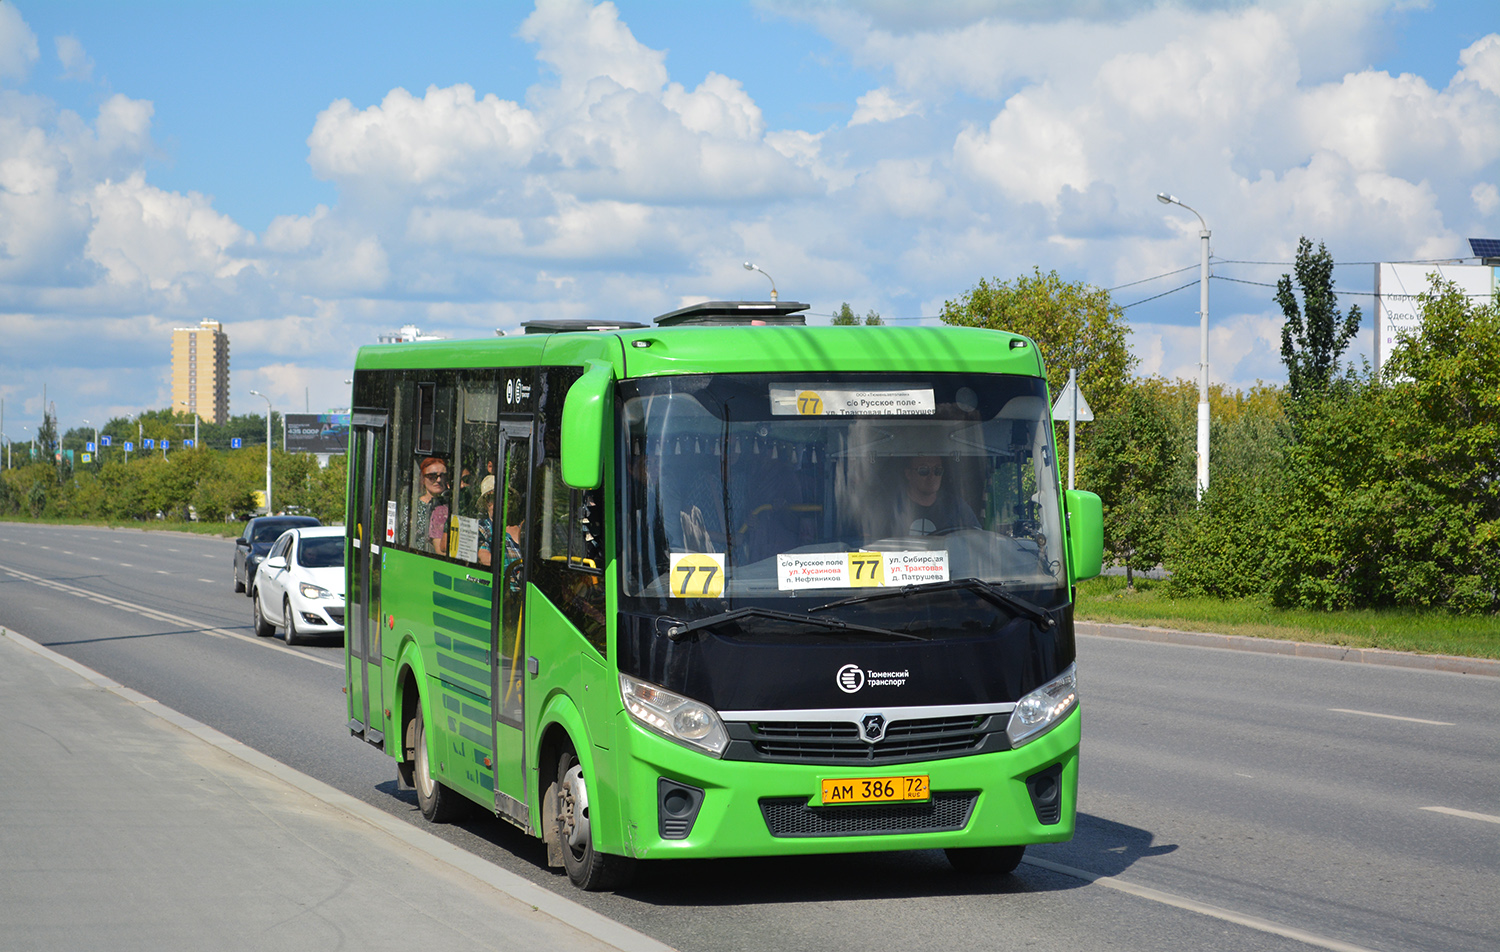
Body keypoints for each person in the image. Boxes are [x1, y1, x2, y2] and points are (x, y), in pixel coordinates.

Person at [893, 455, 979, 536]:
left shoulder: (957, 508)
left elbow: (976, 541)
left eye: (937, 470)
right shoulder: (891, 508)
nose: (932, 476)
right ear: (908, 474)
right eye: (924, 470)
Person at [414, 456, 450, 555]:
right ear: (422, 479)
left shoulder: (452, 505)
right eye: (432, 476)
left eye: (442, 475)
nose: (438, 480)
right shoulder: (413, 507)